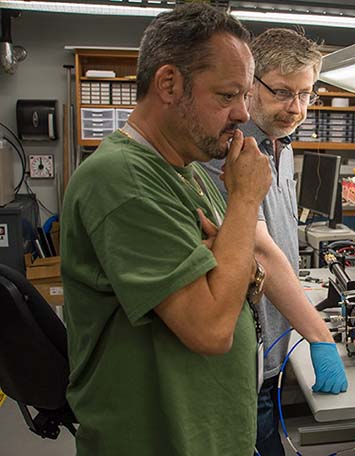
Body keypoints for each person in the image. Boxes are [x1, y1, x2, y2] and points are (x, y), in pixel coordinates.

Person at [61, 5, 270, 455]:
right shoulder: (123, 180)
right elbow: (212, 328)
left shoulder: (189, 171)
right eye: (227, 95)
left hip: (207, 434)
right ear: (170, 84)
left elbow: (244, 278)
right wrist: (246, 201)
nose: (242, 114)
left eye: (246, 96)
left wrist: (228, 266)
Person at [200, 28, 348, 456]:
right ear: (249, 86)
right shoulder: (232, 150)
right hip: (245, 357)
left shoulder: (279, 146)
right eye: (283, 92)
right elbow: (259, 248)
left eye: (306, 94)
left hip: (274, 353)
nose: (296, 108)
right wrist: (321, 336)